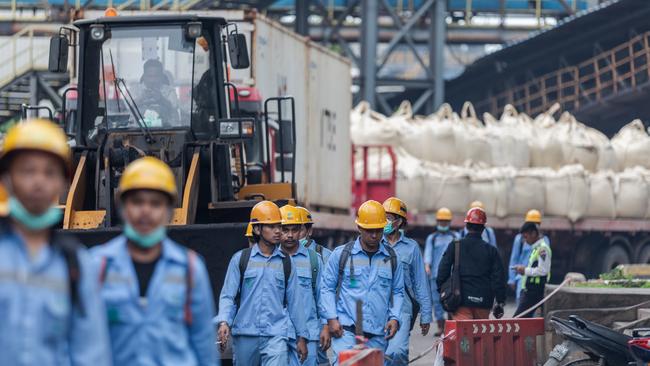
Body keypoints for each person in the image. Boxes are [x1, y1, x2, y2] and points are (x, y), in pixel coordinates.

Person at [0, 119, 111, 365]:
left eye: (49, 172)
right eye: (27, 170)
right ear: (7, 178)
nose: (38, 181)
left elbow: (91, 352)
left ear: (63, 183)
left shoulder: (76, 264)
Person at [91, 156, 216, 365]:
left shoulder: (191, 269)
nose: (146, 211)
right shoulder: (98, 266)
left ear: (169, 212)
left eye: (156, 204)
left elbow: (204, 346)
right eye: (137, 202)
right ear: (123, 207)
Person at [215, 201, 308, 366]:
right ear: (257, 229)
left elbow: (296, 302)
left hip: (275, 335)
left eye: (279, 226)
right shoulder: (241, 260)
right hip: (245, 334)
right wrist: (224, 322)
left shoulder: (286, 263)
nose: (278, 231)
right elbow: (228, 295)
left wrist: (302, 336)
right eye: (272, 227)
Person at [320, 200, 404, 366]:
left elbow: (398, 291)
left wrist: (395, 318)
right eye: (369, 230)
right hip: (346, 332)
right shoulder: (341, 255)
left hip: (377, 334)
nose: (374, 235)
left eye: (378, 230)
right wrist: (331, 318)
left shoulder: (392, 259)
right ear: (359, 228)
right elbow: (326, 288)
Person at [382, 197, 432, 366]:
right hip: (376, 308)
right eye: (383, 217)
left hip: (403, 308)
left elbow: (420, 283)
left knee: (397, 352)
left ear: (399, 222)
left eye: (389, 218)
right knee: (378, 354)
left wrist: (426, 315)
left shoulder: (411, 248)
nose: (385, 222)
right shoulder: (374, 244)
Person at [279, 205, 328, 366]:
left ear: (302, 230)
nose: (291, 235)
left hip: (309, 334)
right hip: (278, 335)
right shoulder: (270, 259)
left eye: (295, 230)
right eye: (285, 230)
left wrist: (325, 327)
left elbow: (323, 297)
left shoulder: (314, 260)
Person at [437, 207, 506, 321]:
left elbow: (442, 271)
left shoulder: (455, 245)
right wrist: (500, 301)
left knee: (463, 337)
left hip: (460, 301)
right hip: (483, 302)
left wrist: (443, 291)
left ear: (467, 226)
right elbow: (499, 278)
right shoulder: (491, 250)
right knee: (480, 336)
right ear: (483, 228)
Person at [295, 205, 332, 366]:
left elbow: (328, 292)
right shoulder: (279, 257)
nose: (294, 235)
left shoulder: (322, 257)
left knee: (319, 358)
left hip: (315, 322)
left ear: (309, 231)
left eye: (299, 229)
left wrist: (327, 323)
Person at [424, 207, 460, 336]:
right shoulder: (432, 238)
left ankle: (451, 326)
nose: (443, 224)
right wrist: (427, 266)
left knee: (453, 299)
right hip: (435, 275)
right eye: (441, 221)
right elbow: (428, 254)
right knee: (437, 301)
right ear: (437, 222)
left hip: (452, 276)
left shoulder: (456, 236)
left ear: (449, 222)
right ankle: (440, 327)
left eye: (445, 222)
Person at [508, 209, 551, 304]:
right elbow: (514, 258)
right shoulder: (519, 239)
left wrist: (525, 271)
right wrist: (511, 279)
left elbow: (544, 267)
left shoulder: (544, 243)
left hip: (535, 284)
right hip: (522, 280)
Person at [512, 222, 552, 318]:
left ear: (533, 234)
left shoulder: (543, 249)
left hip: (535, 291)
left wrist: (525, 271)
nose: (525, 241)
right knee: (524, 322)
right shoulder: (536, 248)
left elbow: (543, 270)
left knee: (517, 321)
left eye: (526, 237)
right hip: (530, 289)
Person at [132, 58, 180, 126]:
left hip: (165, 130)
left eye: (156, 76)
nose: (152, 80)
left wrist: (161, 99)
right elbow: (127, 108)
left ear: (161, 77)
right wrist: (141, 98)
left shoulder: (169, 90)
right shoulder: (135, 90)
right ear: (144, 76)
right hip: (139, 130)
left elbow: (174, 106)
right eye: (149, 76)